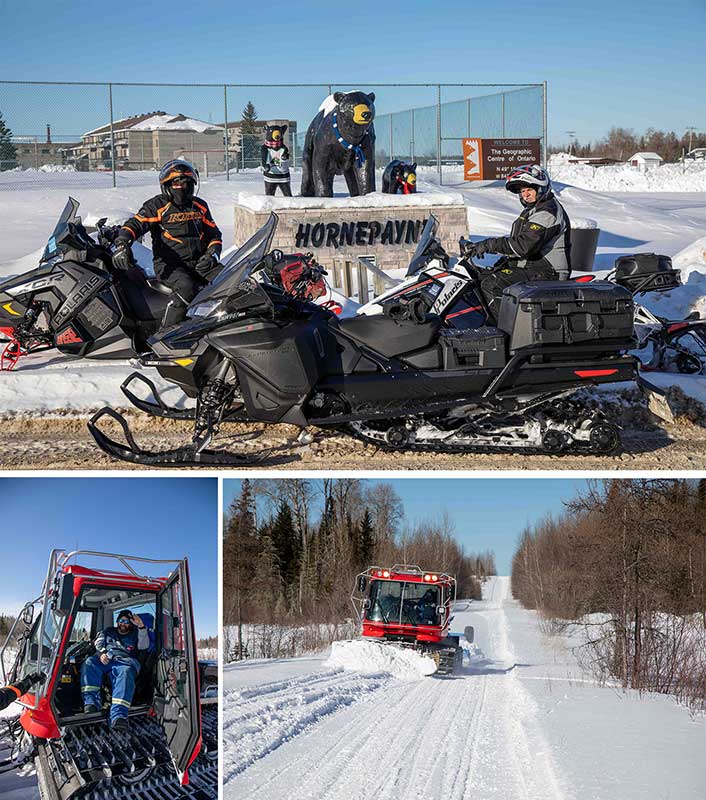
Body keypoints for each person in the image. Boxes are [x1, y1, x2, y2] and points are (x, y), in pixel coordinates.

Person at [112, 159, 223, 326]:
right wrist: (122, 244)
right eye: (176, 182)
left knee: (232, 279)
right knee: (186, 287)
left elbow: (215, 235)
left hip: (201, 263)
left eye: (186, 182)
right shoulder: (157, 205)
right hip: (170, 265)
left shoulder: (200, 206)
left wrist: (212, 256)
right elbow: (133, 225)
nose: (181, 186)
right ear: (166, 185)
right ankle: (166, 335)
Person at [463, 164, 572, 317]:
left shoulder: (547, 212)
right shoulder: (533, 210)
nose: (525, 195)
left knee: (493, 284)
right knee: (480, 278)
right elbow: (519, 246)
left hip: (549, 272)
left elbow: (524, 246)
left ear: (540, 188)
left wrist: (488, 245)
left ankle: (505, 333)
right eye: (522, 191)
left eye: (529, 190)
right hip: (534, 268)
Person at [80, 609, 151, 730]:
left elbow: (144, 645)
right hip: (107, 659)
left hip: (125, 662)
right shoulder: (109, 631)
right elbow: (99, 643)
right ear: (117, 621)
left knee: (125, 673)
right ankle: (91, 703)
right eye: (121, 620)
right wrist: (102, 653)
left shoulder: (136, 633)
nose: (123, 623)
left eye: (127, 621)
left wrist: (141, 626)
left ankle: (118, 715)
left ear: (131, 623)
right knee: (89, 662)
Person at [261, 124, 292, 196]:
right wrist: (266, 166)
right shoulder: (265, 148)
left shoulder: (284, 148)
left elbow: (285, 158)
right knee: (269, 196)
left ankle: (290, 205)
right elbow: (264, 159)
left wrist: (285, 158)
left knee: (288, 195)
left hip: (283, 176)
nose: (276, 135)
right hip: (270, 176)